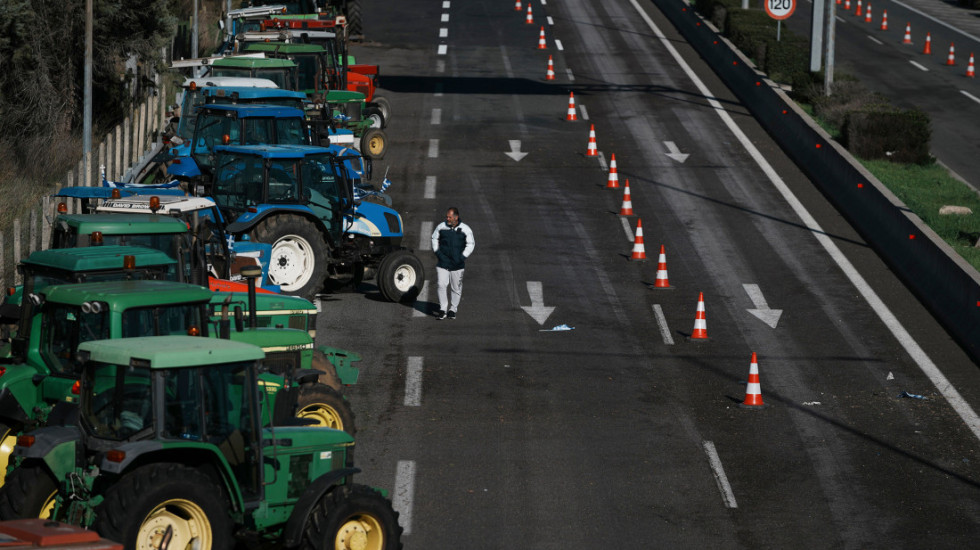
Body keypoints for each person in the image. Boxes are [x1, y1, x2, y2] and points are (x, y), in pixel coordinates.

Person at [430, 207, 475, 320]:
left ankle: (453, 309)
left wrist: (462, 257)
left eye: (450, 217)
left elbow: (471, 244)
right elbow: (434, 238)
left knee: (456, 288)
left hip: (457, 264)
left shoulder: (465, 229)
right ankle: (443, 309)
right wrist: (438, 253)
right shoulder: (441, 227)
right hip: (443, 263)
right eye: (447, 217)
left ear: (456, 217)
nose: (447, 218)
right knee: (441, 284)